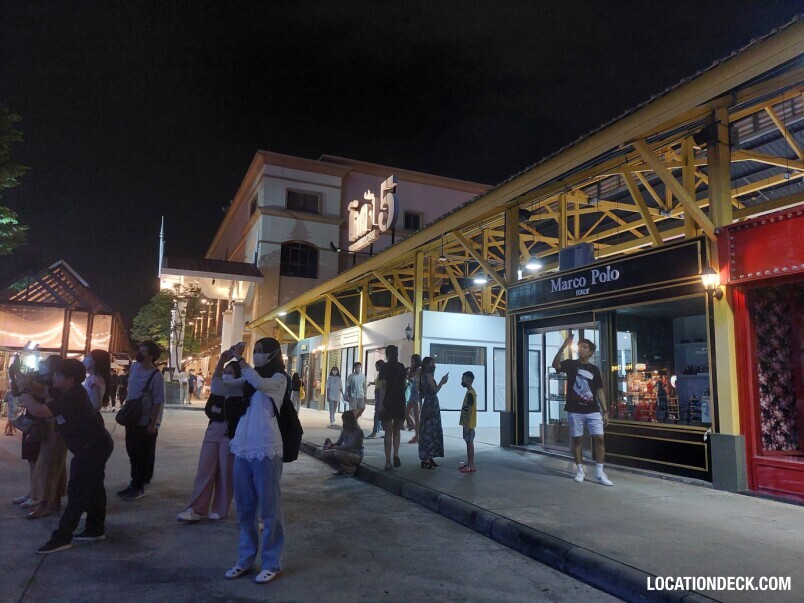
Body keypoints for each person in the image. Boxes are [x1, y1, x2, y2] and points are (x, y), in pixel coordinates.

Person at [12, 358, 114, 554]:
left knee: (77, 493)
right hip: (94, 445)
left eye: (58, 375)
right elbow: (42, 391)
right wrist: (24, 382)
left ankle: (62, 537)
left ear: (71, 379)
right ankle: (95, 529)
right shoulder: (66, 390)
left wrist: (24, 391)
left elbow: (39, 410)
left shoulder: (73, 397)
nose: (54, 377)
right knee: (94, 489)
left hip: (91, 448)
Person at [225, 338, 287, 585]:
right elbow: (223, 387)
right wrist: (223, 362)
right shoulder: (249, 381)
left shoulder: (279, 380)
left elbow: (259, 382)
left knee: (269, 510)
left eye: (262, 351)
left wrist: (240, 360)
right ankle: (246, 559)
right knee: (244, 509)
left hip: (267, 449)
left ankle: (272, 562)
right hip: (244, 448)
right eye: (256, 351)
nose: (258, 354)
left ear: (273, 354)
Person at [177, 354, 247, 523]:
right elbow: (210, 409)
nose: (227, 375)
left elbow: (235, 412)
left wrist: (221, 411)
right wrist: (222, 359)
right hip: (214, 430)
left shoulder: (240, 389)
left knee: (226, 471)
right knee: (204, 470)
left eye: (231, 372)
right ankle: (196, 508)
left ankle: (220, 509)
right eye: (225, 371)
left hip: (231, 433)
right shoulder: (218, 388)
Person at [552, 335, 612, 486]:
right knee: (577, 440)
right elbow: (556, 365)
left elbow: (599, 390)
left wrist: (605, 411)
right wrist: (563, 347)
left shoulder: (594, 369)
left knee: (599, 438)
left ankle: (599, 471)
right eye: (580, 347)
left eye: (585, 347)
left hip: (593, 410)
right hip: (575, 409)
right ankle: (579, 470)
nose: (581, 349)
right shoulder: (571, 365)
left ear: (591, 352)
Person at [118, 341, 165, 501]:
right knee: (132, 452)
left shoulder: (156, 376)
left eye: (143, 351)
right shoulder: (135, 368)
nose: (139, 354)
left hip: (145, 421)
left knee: (142, 454)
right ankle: (134, 482)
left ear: (151, 356)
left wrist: (153, 424)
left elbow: (158, 401)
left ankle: (139, 486)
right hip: (132, 417)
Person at [27, 355, 68, 520]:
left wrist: (24, 388)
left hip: (56, 430)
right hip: (57, 430)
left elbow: (39, 408)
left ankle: (44, 504)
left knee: (47, 466)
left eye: (47, 363)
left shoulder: (60, 389)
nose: (43, 365)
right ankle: (54, 500)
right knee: (56, 465)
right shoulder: (58, 386)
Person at [378, 346, 407, 470]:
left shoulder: (384, 367)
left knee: (388, 432)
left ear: (387, 354)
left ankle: (388, 461)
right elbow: (405, 385)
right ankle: (396, 454)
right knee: (397, 430)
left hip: (388, 400)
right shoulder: (401, 367)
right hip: (400, 400)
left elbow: (383, 385)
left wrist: (381, 402)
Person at [418, 356, 448, 469]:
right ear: (427, 365)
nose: (434, 365)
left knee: (428, 431)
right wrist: (442, 382)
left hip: (428, 404)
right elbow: (435, 390)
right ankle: (427, 458)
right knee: (430, 431)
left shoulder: (423, 376)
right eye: (432, 363)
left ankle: (428, 457)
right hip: (431, 404)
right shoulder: (428, 376)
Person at [322, 410, 364, 475]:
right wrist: (330, 444)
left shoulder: (358, 432)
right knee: (325, 454)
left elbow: (349, 447)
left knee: (338, 453)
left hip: (356, 454)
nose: (344, 422)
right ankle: (341, 468)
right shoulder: (345, 430)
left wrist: (335, 447)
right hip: (345, 452)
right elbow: (339, 442)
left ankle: (351, 469)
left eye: (345, 420)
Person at [458, 371, 477, 473]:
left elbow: (469, 410)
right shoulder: (470, 392)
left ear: (469, 380)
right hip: (468, 424)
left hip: (468, 425)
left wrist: (466, 424)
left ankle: (471, 465)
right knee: (468, 443)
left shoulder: (470, 393)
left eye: (463, 379)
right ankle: (469, 463)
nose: (462, 381)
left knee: (469, 443)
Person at [406, 354, 422, 443]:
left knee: (416, 415)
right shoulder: (416, 368)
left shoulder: (419, 369)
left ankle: (417, 435)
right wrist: (412, 366)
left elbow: (411, 376)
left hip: (417, 393)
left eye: (413, 361)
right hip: (413, 392)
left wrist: (412, 367)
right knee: (407, 413)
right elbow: (409, 377)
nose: (411, 363)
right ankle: (416, 432)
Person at [366, 360, 384, 439]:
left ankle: (374, 432)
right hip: (378, 393)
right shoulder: (380, 374)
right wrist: (371, 383)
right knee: (379, 413)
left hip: (380, 393)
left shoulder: (383, 374)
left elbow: (382, 384)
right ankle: (379, 429)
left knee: (377, 413)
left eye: (376, 366)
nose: (375, 367)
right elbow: (378, 383)